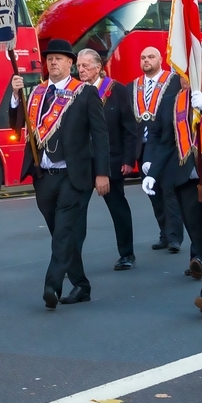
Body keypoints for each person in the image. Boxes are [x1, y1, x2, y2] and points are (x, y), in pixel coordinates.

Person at [10, 39, 110, 309]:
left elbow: (100, 136)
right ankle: (81, 283)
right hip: (44, 175)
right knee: (61, 233)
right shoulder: (37, 93)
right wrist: (14, 96)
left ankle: (52, 285)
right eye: (49, 58)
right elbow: (17, 124)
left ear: (70, 64)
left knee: (64, 230)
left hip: (73, 175)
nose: (53, 62)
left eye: (59, 58)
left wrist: (102, 173)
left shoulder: (85, 93)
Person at [142, 51, 202, 316]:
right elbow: (166, 141)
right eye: (183, 75)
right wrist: (152, 170)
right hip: (186, 179)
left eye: (191, 74)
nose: (185, 80)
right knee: (198, 236)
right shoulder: (174, 102)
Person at [76, 49, 137, 270]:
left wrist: (129, 159)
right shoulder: (77, 91)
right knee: (76, 213)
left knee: (117, 207)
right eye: (79, 66)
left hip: (110, 160)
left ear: (98, 67)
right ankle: (71, 260)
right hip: (82, 162)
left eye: (85, 66)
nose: (81, 70)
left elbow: (129, 127)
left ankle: (127, 253)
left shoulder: (116, 90)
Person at [132, 47, 184, 253]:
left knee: (169, 191)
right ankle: (164, 233)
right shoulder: (134, 86)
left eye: (151, 56)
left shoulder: (173, 81)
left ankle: (175, 237)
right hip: (143, 148)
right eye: (143, 57)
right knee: (153, 193)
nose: (146, 60)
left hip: (168, 145)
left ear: (160, 59)